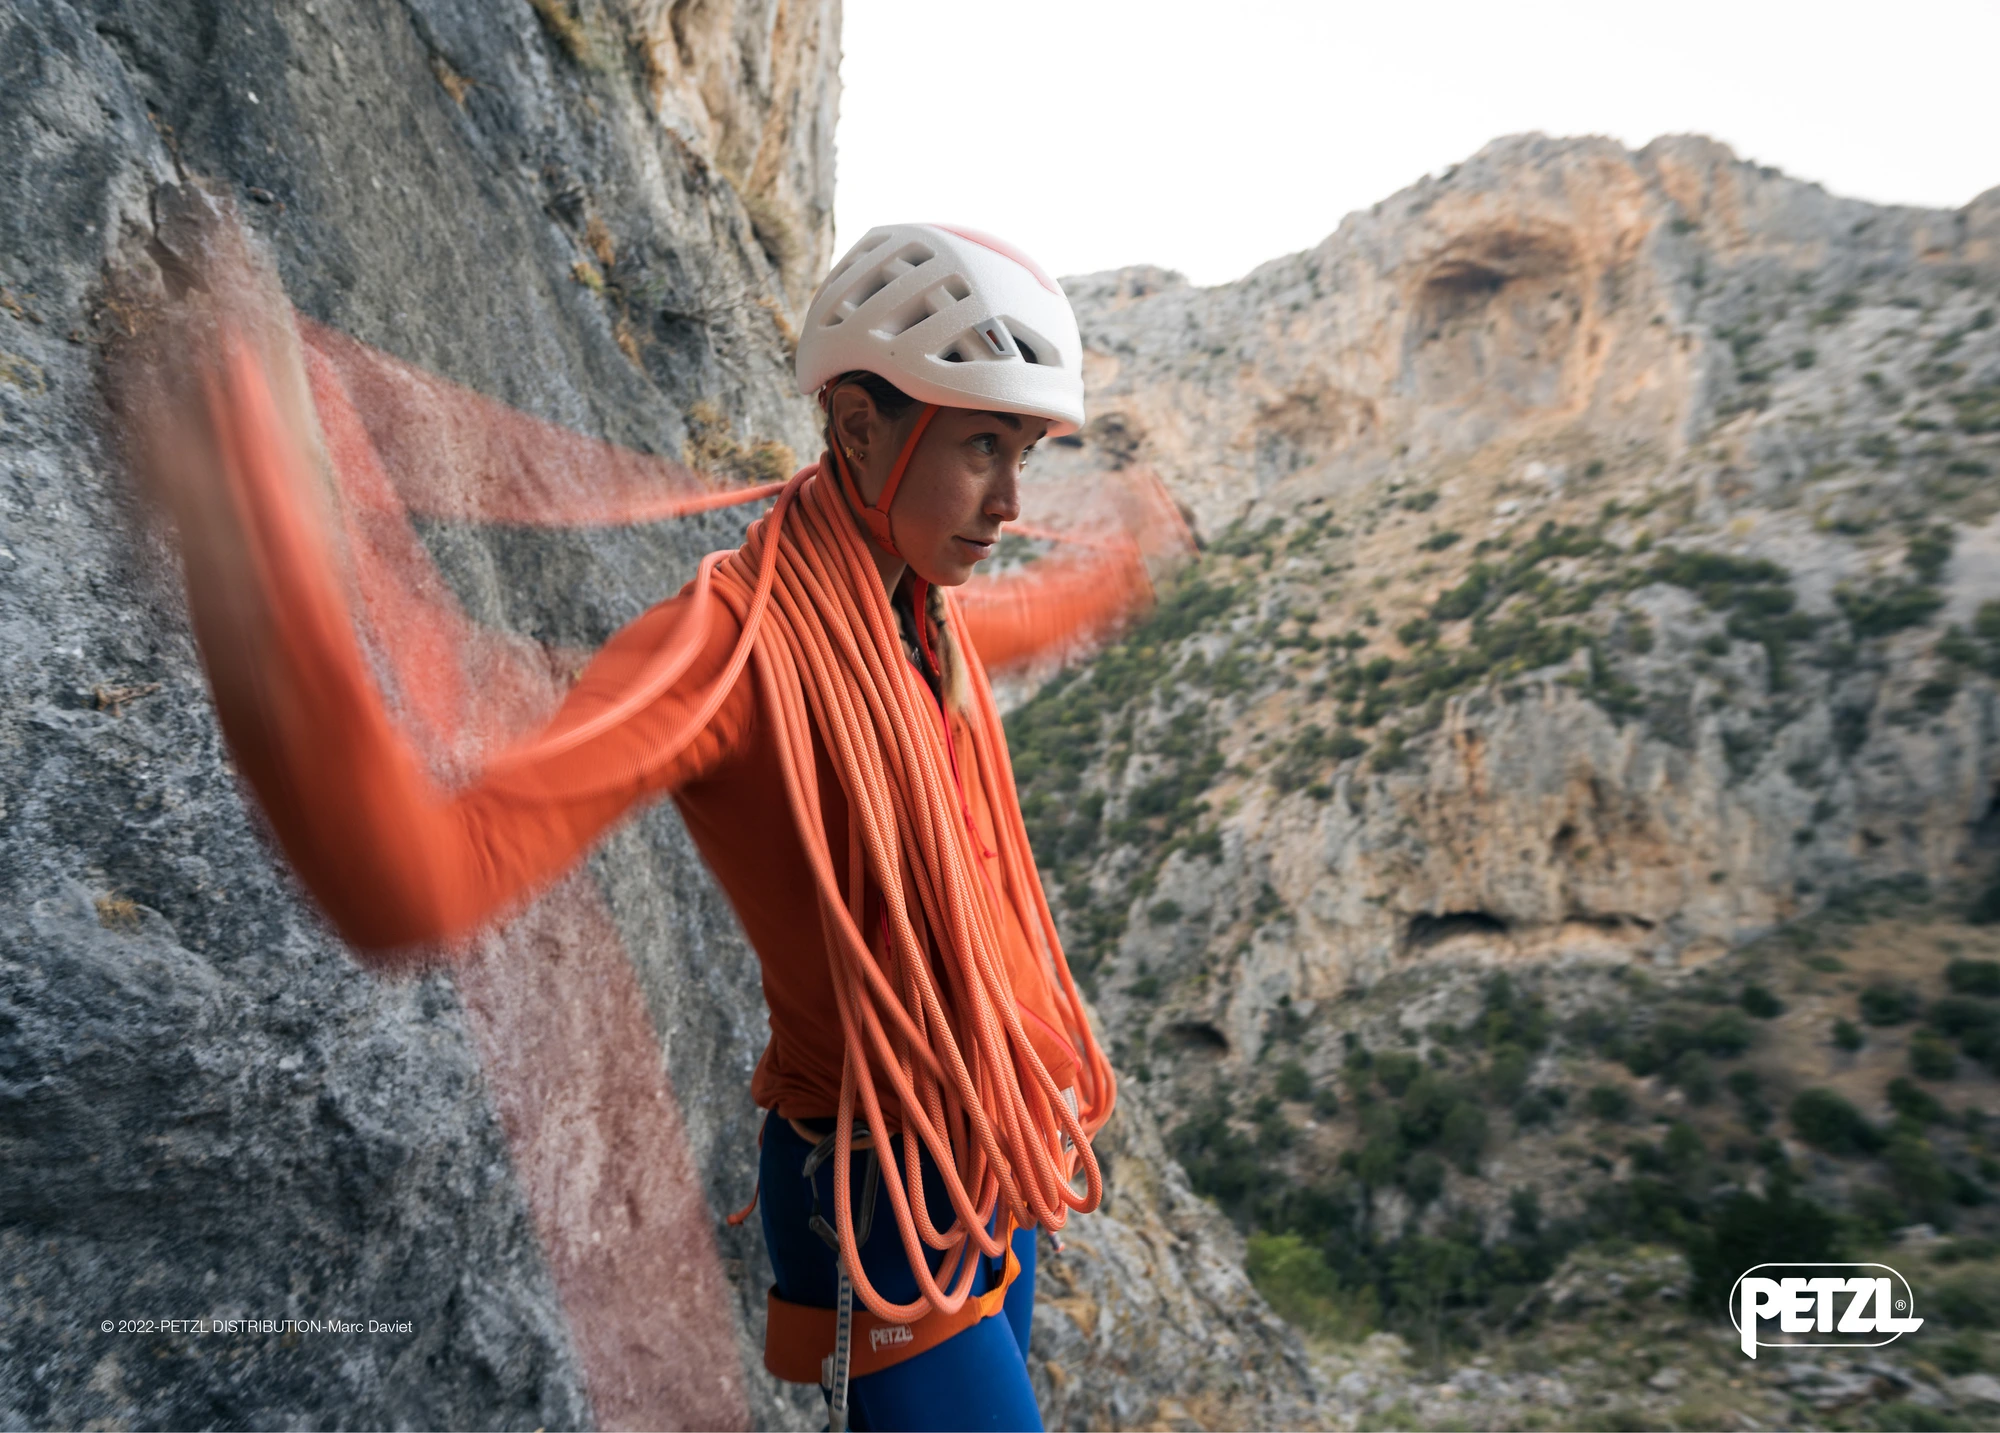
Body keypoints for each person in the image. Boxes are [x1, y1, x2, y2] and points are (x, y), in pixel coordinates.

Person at [149, 221, 1121, 1431]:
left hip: (984, 1166)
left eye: (1023, 450)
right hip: (881, 1187)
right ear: (861, 427)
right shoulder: (726, 649)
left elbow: (1011, 622)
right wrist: (258, 574)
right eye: (983, 446)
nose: (1010, 500)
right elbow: (415, 879)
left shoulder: (920, 615)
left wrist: (1108, 577)